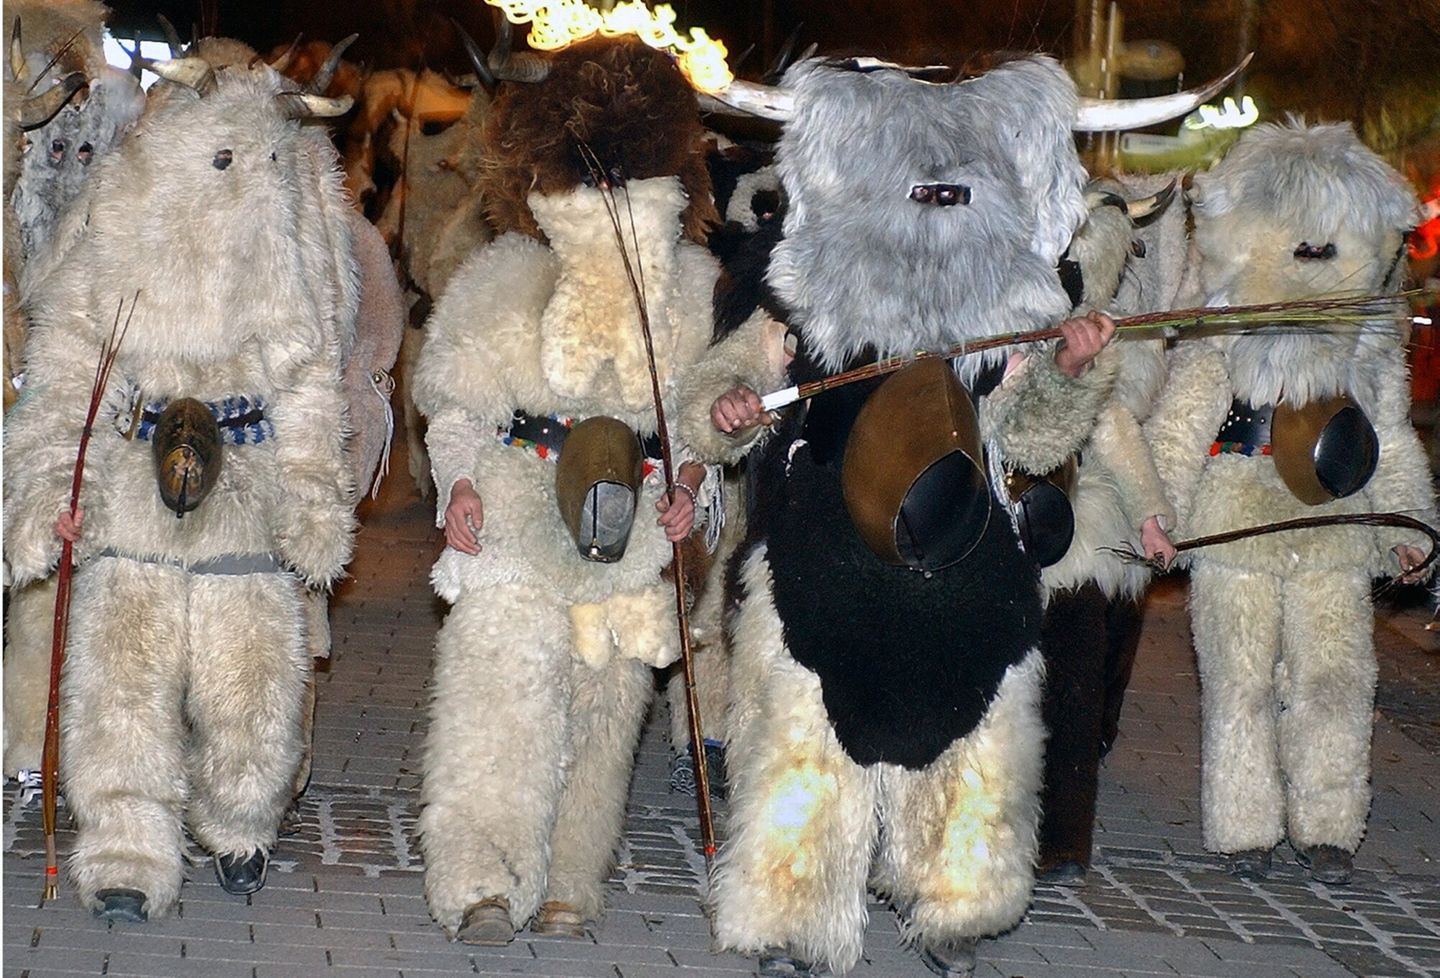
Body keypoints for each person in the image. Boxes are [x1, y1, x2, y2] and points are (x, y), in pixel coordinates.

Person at [1144, 120, 1436, 884]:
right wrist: (1158, 512)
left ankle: (1329, 825)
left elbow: (1392, 438)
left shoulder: (1367, 343)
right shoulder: (1222, 331)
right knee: (1238, 680)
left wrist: (1409, 530)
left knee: (1335, 677)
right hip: (1235, 523)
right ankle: (1243, 826)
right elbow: (1183, 419)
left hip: (1335, 529)